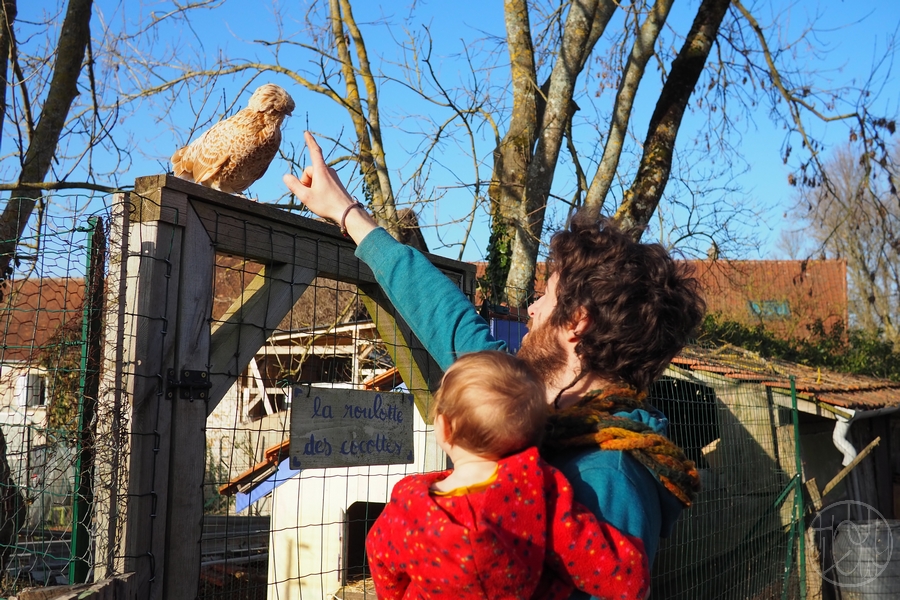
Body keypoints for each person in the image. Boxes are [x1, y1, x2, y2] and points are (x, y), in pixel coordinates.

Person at [284, 131, 705, 589]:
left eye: (545, 296)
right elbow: (444, 315)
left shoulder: (607, 476)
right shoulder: (521, 407)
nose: (532, 308)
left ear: (577, 323)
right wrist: (347, 213)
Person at [365, 350, 650, 600]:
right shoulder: (535, 490)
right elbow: (583, 549)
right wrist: (631, 577)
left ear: (444, 428)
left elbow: (380, 557)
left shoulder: (408, 506)